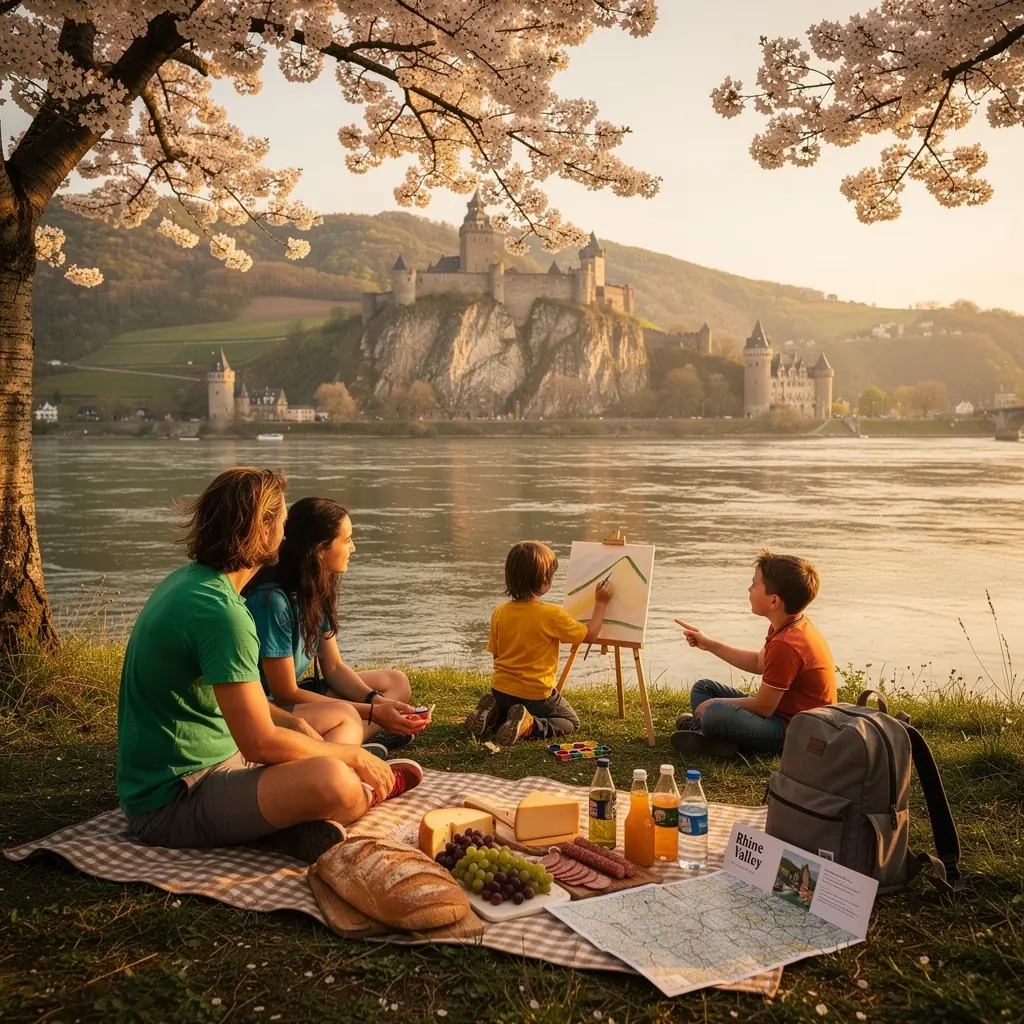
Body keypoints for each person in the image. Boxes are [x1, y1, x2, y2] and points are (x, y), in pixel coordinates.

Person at [116, 467, 422, 863]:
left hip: (214, 757)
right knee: (336, 783)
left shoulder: (190, 581)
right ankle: (331, 803)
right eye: (280, 520)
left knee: (341, 718)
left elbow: (238, 709)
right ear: (261, 529)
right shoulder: (223, 613)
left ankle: (288, 816)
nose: (286, 529)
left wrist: (294, 722)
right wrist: (351, 756)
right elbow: (258, 742)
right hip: (173, 799)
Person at [243, 497, 426, 754]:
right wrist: (373, 713)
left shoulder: (313, 588)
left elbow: (334, 667)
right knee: (344, 714)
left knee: (396, 682)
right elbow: (285, 693)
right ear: (320, 548)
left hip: (296, 701)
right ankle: (347, 749)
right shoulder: (272, 601)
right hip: (271, 709)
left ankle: (349, 742)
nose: (353, 548)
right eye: (347, 539)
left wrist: (376, 701)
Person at [671, 550, 836, 758]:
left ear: (774, 601)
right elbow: (759, 662)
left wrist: (715, 705)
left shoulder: (787, 644)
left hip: (793, 732)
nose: (749, 589)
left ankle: (715, 738)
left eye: (754, 585)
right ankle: (711, 737)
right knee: (703, 688)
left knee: (714, 712)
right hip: (778, 714)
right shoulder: (789, 623)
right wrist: (709, 644)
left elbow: (764, 706)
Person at [465, 540, 613, 744]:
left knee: (509, 708)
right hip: (535, 694)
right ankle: (530, 725)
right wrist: (602, 602)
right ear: (545, 581)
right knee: (570, 721)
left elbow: (496, 654)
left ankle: (494, 716)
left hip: (500, 689)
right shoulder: (551, 614)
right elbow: (589, 635)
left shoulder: (500, 611)